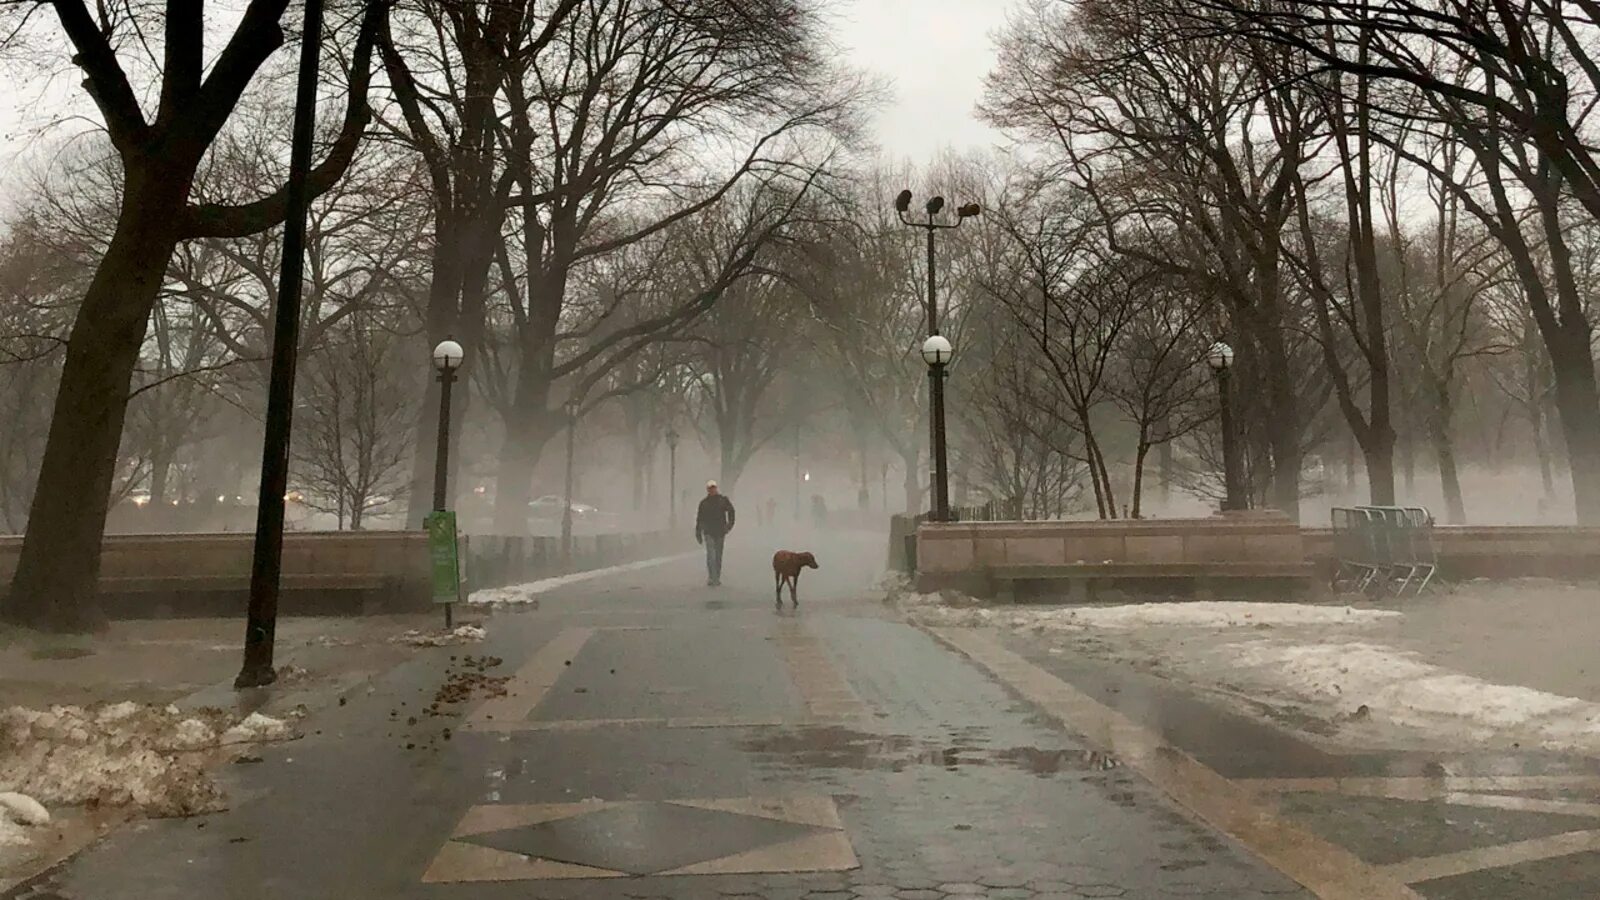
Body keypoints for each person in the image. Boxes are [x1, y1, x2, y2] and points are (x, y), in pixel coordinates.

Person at [695, 480, 736, 586]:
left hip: (720, 532)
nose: (712, 490)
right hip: (708, 532)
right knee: (711, 556)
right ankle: (711, 577)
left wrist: (729, 526)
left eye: (713, 488)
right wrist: (698, 532)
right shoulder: (704, 503)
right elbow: (699, 519)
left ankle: (716, 576)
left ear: (716, 488)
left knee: (718, 556)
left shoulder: (723, 500)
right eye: (710, 488)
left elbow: (731, 512)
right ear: (708, 490)